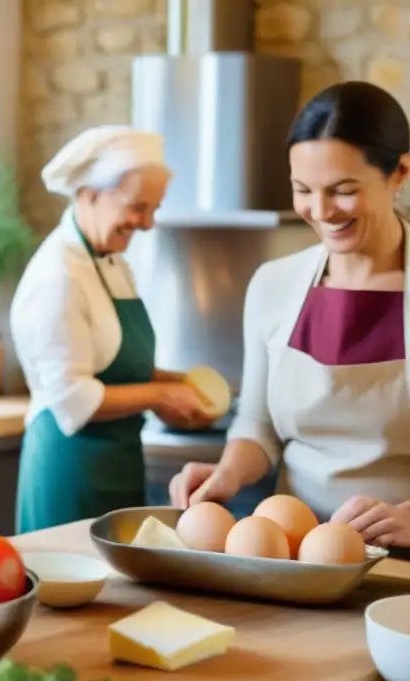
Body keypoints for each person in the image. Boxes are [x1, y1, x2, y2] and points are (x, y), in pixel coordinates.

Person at [169, 81, 410, 549]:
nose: (320, 211)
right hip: (292, 557)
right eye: (303, 190)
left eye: (342, 190)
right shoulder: (273, 286)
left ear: (399, 172)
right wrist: (228, 473)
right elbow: (258, 423)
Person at [10, 125, 214, 534]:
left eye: (154, 208)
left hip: (119, 464)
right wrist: (161, 394)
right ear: (90, 194)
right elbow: (73, 397)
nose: (148, 223)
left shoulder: (111, 263)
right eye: (139, 206)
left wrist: (180, 382)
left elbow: (115, 364)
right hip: (70, 470)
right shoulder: (58, 276)